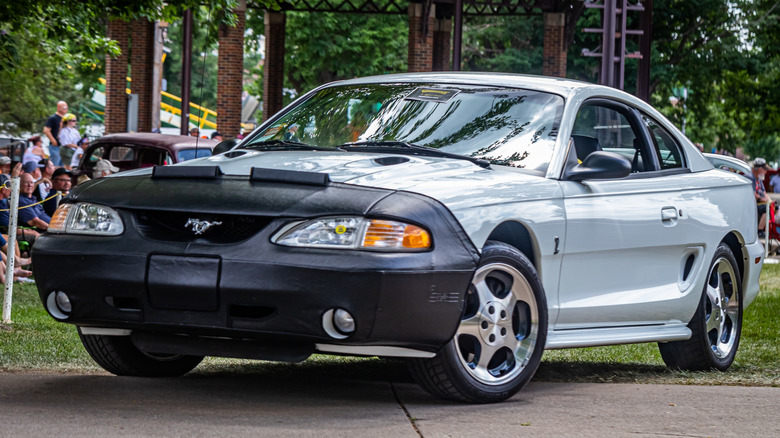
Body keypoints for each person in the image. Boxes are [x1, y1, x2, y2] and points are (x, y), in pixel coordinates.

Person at [750, 158, 772, 235]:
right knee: (767, 208)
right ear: (759, 169)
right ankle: (760, 231)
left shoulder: (759, 179)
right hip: (750, 204)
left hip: (758, 203)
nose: (766, 172)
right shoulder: (750, 177)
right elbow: (752, 193)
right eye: (765, 169)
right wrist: (764, 200)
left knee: (773, 207)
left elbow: (764, 192)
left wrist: (770, 201)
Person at [42, 101, 68, 166]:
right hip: (55, 146)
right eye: (64, 107)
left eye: (67, 108)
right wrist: (53, 140)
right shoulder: (53, 118)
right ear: (58, 108)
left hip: (63, 146)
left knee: (62, 166)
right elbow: (46, 130)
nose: (66, 109)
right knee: (54, 165)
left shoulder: (64, 119)